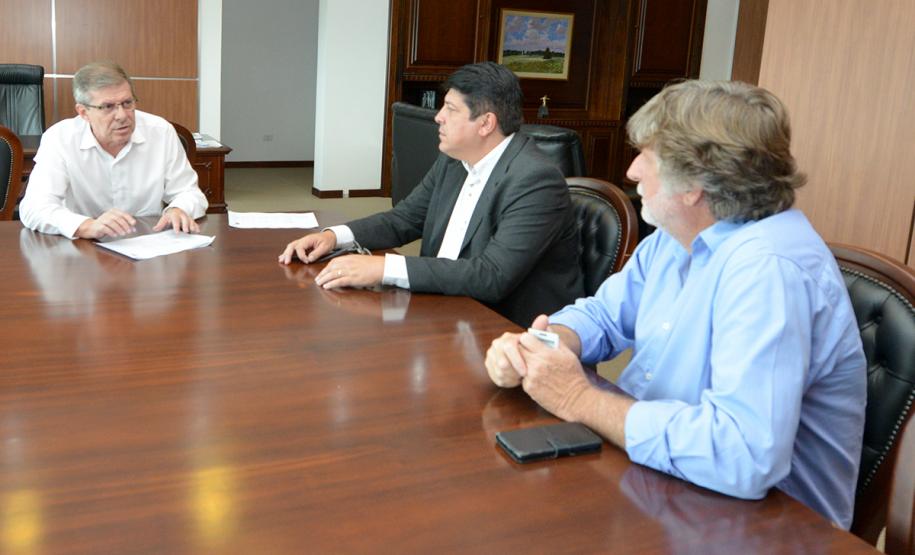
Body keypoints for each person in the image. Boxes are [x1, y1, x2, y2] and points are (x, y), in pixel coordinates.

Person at [484, 80, 866, 529]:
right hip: (662, 488)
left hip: (758, 527)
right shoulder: (676, 236)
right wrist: (541, 347)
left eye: (647, 155)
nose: (631, 171)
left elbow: (742, 454)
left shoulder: (769, 269)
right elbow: (604, 316)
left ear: (696, 183)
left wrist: (576, 397)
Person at [279, 62, 583, 326]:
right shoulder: (454, 160)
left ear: (486, 123)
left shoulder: (535, 180)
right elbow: (405, 219)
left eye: (450, 109)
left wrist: (384, 268)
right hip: (445, 307)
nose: (438, 117)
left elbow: (492, 276)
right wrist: (335, 237)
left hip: (507, 330)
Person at [20, 61, 208, 239]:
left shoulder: (160, 132)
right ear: (84, 112)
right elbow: (34, 207)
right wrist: (87, 226)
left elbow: (190, 193)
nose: (122, 116)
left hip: (148, 245)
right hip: (84, 250)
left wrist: (178, 209)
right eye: (108, 107)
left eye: (127, 103)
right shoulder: (60, 138)